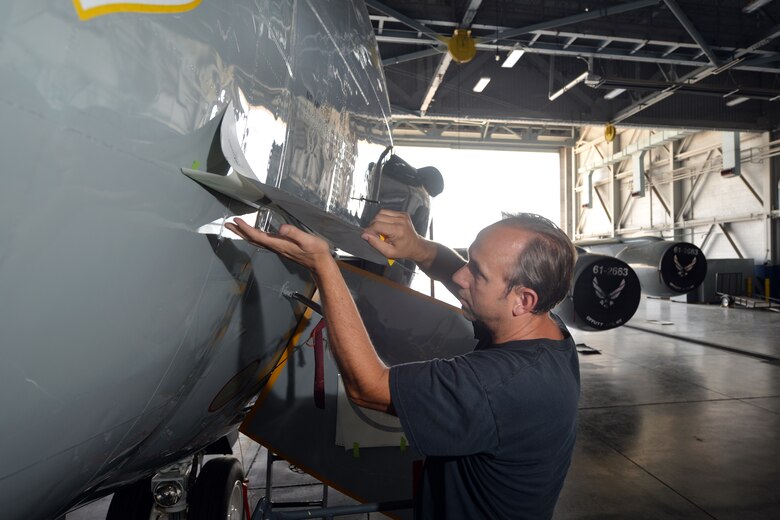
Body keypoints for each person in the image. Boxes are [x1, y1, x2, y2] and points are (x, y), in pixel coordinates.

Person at [226, 209, 580, 520]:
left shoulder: (499, 386)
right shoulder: (546, 332)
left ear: (523, 300)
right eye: (469, 261)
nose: (460, 277)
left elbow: (369, 387)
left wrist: (324, 267)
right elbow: (458, 274)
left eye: (477, 272)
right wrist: (417, 248)